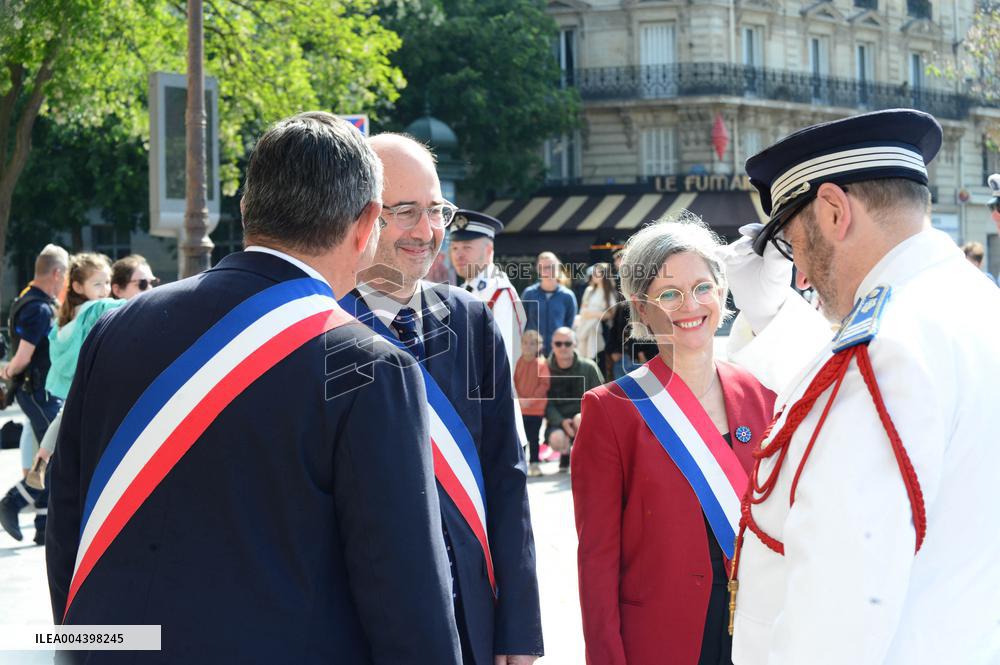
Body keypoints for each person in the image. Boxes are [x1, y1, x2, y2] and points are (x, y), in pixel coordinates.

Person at [46, 112, 462, 664]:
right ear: (367, 224)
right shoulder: (371, 367)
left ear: (247, 209)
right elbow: (406, 600)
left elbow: (65, 525)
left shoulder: (113, 329)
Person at [722, 109, 1000, 664]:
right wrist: (774, 315)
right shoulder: (967, 304)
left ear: (832, 211)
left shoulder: (884, 353)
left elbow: (835, 624)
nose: (798, 272)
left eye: (793, 243)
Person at [347, 132, 543, 665]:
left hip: (472, 621)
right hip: (365, 630)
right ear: (361, 216)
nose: (427, 230)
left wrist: (519, 628)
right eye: (406, 210)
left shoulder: (472, 321)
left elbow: (505, 474)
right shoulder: (322, 325)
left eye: (437, 210)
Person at [572, 218, 776, 665]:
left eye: (703, 287)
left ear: (722, 293)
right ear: (640, 309)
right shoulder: (611, 411)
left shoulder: (764, 395)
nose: (690, 305)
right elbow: (597, 563)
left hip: (759, 635)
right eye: (668, 294)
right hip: (663, 640)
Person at [26, 253, 120, 492]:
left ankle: (42, 457)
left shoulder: (64, 320)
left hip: (73, 384)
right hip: (95, 383)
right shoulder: (97, 307)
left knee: (62, 416)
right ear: (78, 286)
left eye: (107, 283)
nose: (105, 289)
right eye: (98, 283)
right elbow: (129, 306)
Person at [0, 243, 68, 544]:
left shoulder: (27, 300)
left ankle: (43, 525)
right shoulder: (39, 307)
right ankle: (13, 502)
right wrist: (8, 371)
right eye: (65, 274)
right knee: (55, 452)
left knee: (51, 453)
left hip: (37, 389)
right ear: (57, 273)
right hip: (37, 390)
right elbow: (24, 355)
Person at [450, 209, 526, 363]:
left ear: (489, 251)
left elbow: (505, 362)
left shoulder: (500, 293)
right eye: (454, 248)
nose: (458, 255)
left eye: (467, 247)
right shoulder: (465, 288)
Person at [543, 327, 603, 473]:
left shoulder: (589, 367)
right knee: (557, 438)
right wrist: (561, 421)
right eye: (558, 344)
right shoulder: (544, 369)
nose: (563, 347)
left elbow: (601, 397)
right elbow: (544, 402)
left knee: (579, 419)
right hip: (558, 421)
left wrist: (583, 417)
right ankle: (565, 454)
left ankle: (585, 457)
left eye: (567, 343)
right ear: (552, 345)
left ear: (575, 344)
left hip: (583, 418)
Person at [522, 252, 578, 355]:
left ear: (558, 268)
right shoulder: (529, 294)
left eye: (550, 267)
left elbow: (569, 327)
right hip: (533, 353)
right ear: (538, 270)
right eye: (543, 268)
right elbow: (521, 323)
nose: (547, 271)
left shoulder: (568, 296)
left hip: (558, 353)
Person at [514, 330, 550, 478]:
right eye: (525, 343)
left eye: (532, 343)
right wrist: (520, 399)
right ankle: (521, 464)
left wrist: (532, 400)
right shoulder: (518, 362)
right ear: (521, 345)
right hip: (521, 408)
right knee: (520, 438)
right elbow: (514, 382)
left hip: (536, 410)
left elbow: (544, 384)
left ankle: (534, 463)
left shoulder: (541, 364)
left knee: (533, 437)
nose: (528, 346)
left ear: (539, 346)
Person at [573, 262, 616, 361]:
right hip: (585, 325)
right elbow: (583, 309)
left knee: (598, 358)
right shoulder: (589, 290)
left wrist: (593, 314)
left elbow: (610, 314)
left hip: (599, 328)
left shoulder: (609, 292)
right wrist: (587, 314)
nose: (594, 276)